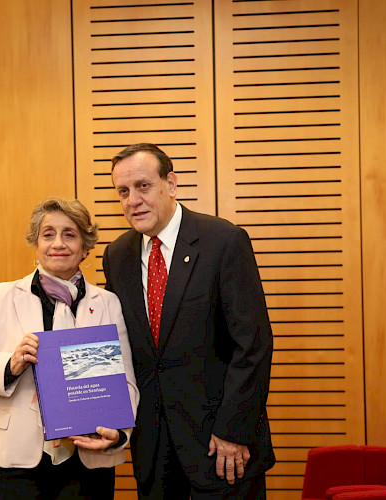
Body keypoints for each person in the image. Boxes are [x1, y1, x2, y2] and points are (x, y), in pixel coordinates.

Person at [102, 143, 276, 499]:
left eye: (143, 186)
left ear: (171, 184)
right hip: (154, 451)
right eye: (123, 191)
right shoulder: (117, 255)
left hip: (220, 445)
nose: (133, 200)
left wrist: (233, 430)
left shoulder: (224, 241)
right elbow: (115, 346)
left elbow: (253, 346)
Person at [0, 196, 139, 499]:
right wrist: (10, 364)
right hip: (16, 460)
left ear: (85, 246)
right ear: (36, 242)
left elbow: (126, 383)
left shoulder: (108, 303)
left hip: (88, 460)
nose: (58, 244)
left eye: (70, 234)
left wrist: (119, 434)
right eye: (48, 234)